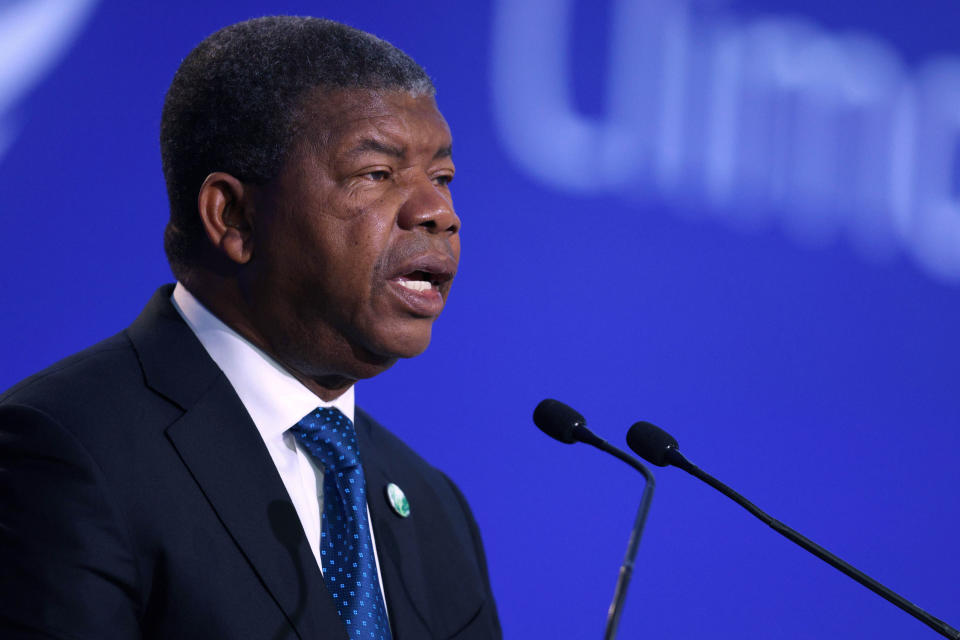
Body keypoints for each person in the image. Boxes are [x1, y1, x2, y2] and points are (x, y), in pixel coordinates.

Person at [0, 16, 501, 640]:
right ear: (233, 216)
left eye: (442, 178)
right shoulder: (64, 450)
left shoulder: (435, 511)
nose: (438, 213)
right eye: (377, 174)